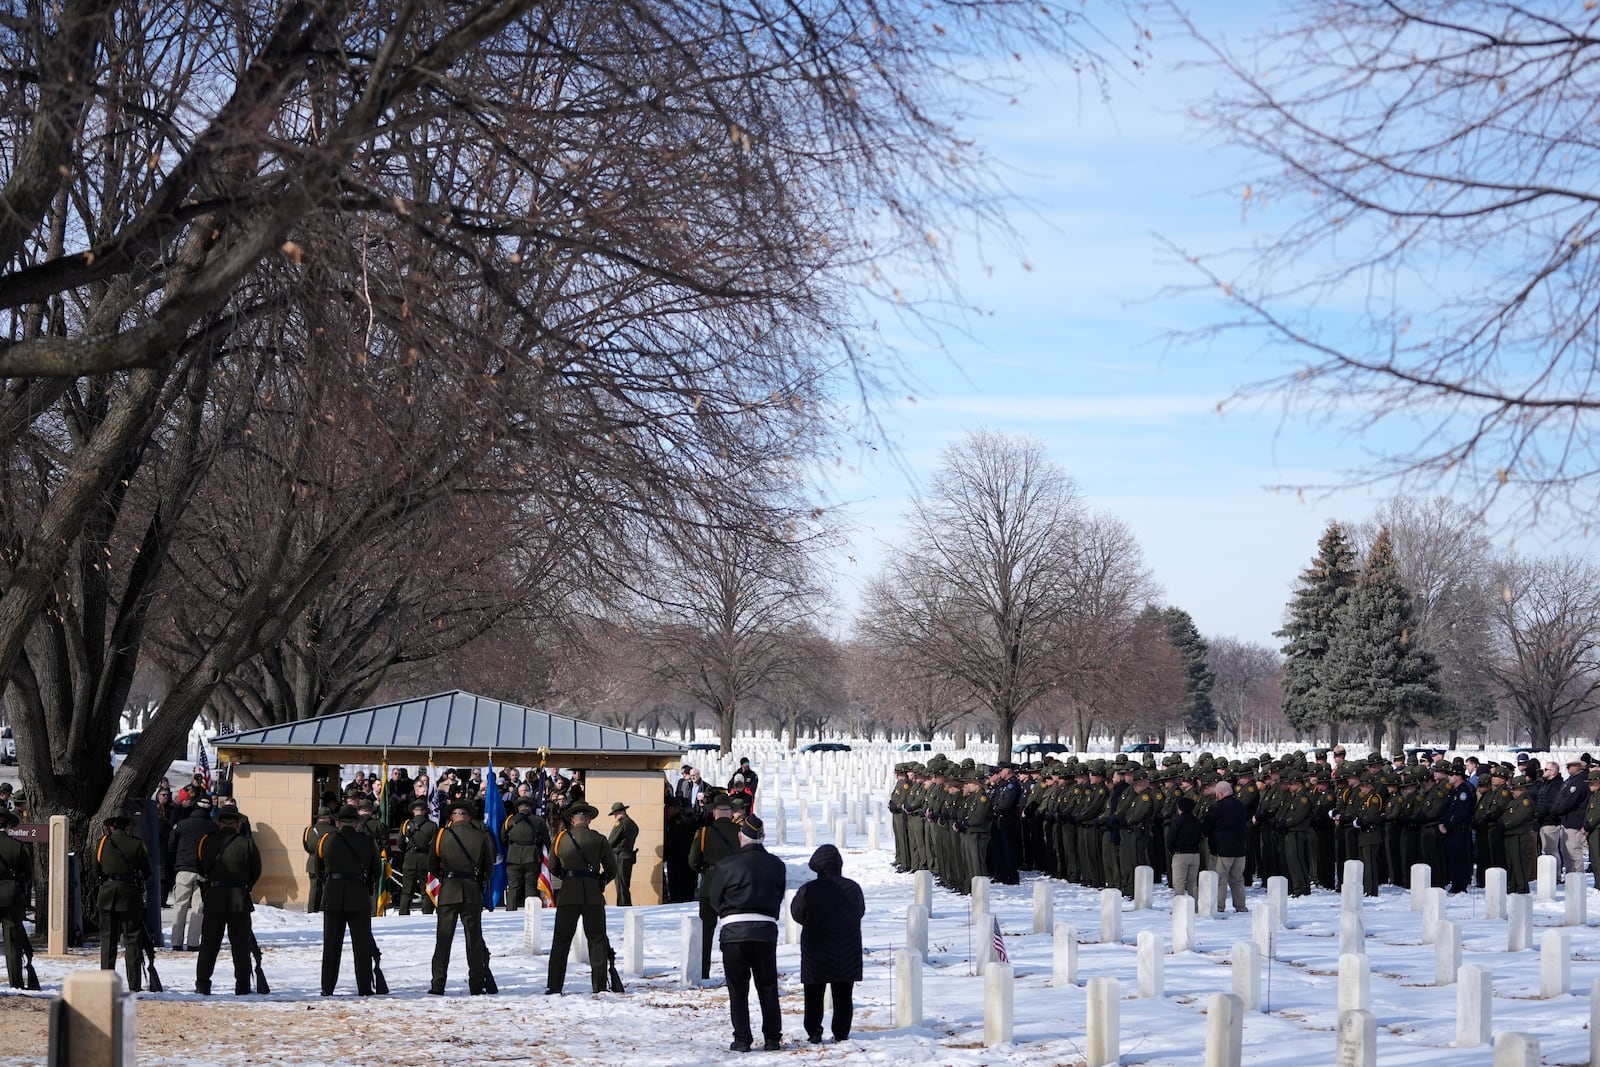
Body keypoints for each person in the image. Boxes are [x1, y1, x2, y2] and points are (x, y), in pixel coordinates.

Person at [707, 812, 786, 1052]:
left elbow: (714, 898)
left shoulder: (725, 865)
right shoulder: (777, 865)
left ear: (741, 837)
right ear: (762, 837)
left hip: (734, 933)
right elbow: (778, 894)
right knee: (768, 986)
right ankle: (772, 1038)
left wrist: (729, 913)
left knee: (738, 989)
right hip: (764, 930)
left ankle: (742, 1038)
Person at [789, 844, 864, 1044]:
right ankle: (841, 1032)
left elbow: (796, 913)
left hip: (816, 946)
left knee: (814, 992)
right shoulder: (853, 888)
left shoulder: (809, 890)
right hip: (846, 947)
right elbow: (860, 911)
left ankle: (813, 1030)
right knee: (843, 993)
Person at [544, 802, 617, 994]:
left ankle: (554, 985)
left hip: (568, 894)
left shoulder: (561, 839)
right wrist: (599, 882)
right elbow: (612, 869)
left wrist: (568, 879)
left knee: (561, 941)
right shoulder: (599, 839)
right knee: (597, 940)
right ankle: (599, 986)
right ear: (589, 819)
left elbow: (553, 867)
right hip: (593, 895)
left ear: (572, 820)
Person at [429, 799, 495, 995]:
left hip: (449, 890)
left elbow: (432, 865)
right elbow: (488, 868)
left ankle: (438, 985)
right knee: (473, 940)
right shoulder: (481, 836)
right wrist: (477, 881)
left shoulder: (441, 835)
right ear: (469, 817)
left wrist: (446, 877)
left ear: (452, 817)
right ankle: (476, 985)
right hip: (472, 891)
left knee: (443, 940)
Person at [194, 807, 262, 995]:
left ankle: (202, 983)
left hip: (214, 897)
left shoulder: (205, 842)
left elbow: (199, 867)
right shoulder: (246, 843)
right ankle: (242, 985)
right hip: (239, 898)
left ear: (219, 822)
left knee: (209, 944)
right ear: (238, 824)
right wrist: (244, 885)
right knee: (240, 944)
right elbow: (256, 870)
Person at [318, 804, 383, 996]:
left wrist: (331, 882)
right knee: (361, 945)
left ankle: (327, 987)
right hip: (359, 895)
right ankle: (364, 987)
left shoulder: (326, 840)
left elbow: (318, 868)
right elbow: (376, 871)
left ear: (338, 822)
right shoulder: (367, 841)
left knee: (331, 945)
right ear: (356, 823)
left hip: (333, 895)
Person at [92, 813, 152, 990]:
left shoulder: (102, 843)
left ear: (111, 827)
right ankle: (134, 984)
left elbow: (96, 871)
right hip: (130, 895)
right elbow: (148, 872)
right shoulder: (137, 844)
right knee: (132, 940)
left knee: (108, 940)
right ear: (128, 826)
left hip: (107, 894)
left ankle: (106, 983)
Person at [688, 794, 741, 980]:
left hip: (710, 884)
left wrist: (705, 870)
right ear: (731, 812)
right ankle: (735, 973)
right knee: (735, 932)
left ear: (715, 812)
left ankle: (704, 973)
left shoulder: (704, 832)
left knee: (706, 933)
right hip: (734, 886)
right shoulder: (740, 832)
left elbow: (693, 861)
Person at [168, 795, 213, 950]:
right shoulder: (212, 827)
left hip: (183, 869)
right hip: (203, 872)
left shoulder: (182, 824)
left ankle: (176, 942)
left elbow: (171, 847)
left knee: (180, 906)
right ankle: (194, 943)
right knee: (198, 908)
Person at [1202, 780, 1249, 913]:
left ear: (1221, 794)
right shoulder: (1241, 806)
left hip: (1222, 850)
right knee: (1237, 879)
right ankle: (1241, 906)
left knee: (1220, 880)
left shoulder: (1217, 808)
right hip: (1240, 849)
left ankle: (1219, 906)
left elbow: (1207, 826)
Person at [0, 809, 34, 988]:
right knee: (13, 941)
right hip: (11, 894)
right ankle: (16, 982)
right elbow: (28, 874)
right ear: (8, 825)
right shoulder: (18, 845)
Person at [503, 796, 549, 911]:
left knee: (513, 887)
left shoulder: (510, 820)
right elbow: (546, 840)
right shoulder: (538, 821)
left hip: (513, 856)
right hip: (532, 856)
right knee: (531, 885)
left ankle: (510, 912)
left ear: (518, 808)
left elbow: (503, 839)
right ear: (530, 808)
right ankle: (531, 912)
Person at [398, 798, 438, 915]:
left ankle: (403, 914)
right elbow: (435, 845)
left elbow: (400, 843)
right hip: (426, 859)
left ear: (413, 811)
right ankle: (427, 913)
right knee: (426, 890)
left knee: (407, 891)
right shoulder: (432, 826)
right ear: (424, 811)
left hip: (410, 859)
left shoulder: (406, 825)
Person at [1166, 795, 1203, 901]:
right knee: (1192, 883)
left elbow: (1171, 837)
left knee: (1179, 882)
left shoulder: (1178, 820)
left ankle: (1180, 905)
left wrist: (1170, 849)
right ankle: (1194, 905)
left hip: (1180, 854)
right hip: (1195, 854)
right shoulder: (1196, 820)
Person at [301, 806, 334, 915]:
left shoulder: (309, 830)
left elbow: (306, 847)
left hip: (312, 862)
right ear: (328, 818)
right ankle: (324, 909)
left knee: (314, 888)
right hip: (328, 863)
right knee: (327, 888)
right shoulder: (334, 831)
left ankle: (311, 910)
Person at [605, 802, 639, 907]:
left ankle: (624, 906)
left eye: (615, 814)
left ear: (620, 812)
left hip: (620, 856)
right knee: (624, 883)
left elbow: (611, 841)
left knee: (620, 884)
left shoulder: (621, 823)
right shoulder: (633, 824)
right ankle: (624, 904)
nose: (615, 817)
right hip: (628, 855)